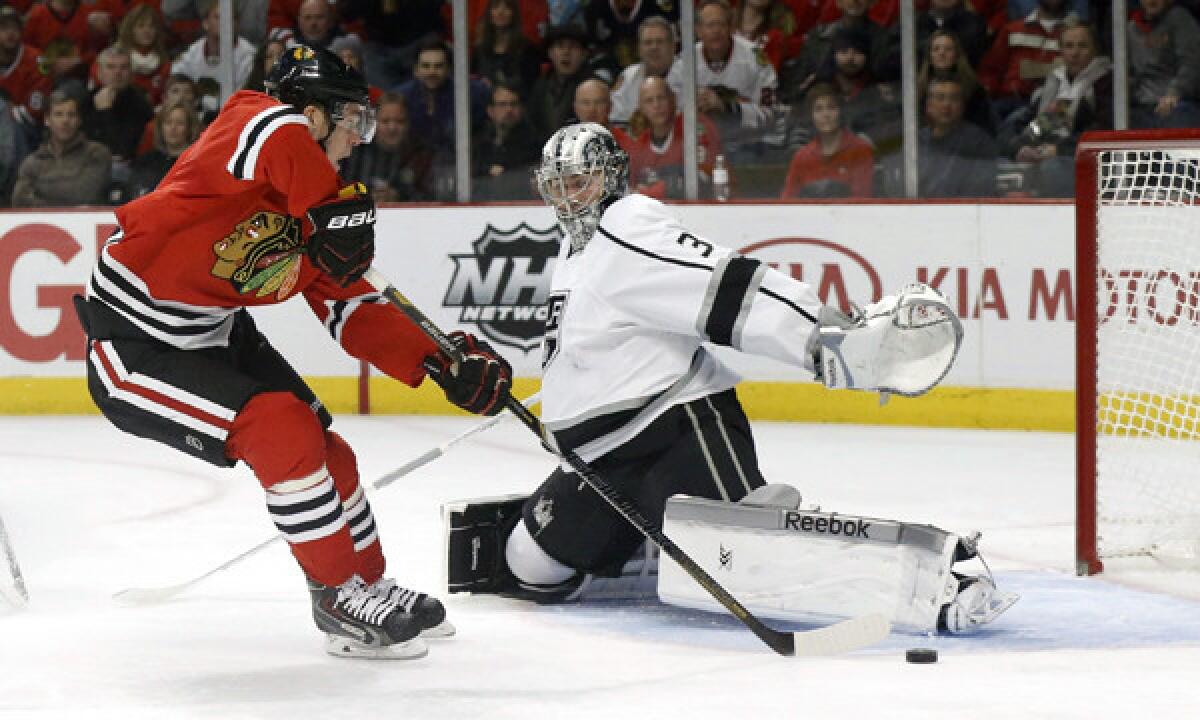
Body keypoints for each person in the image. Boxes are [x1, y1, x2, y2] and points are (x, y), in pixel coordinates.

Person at [443, 122, 1015, 636]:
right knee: (531, 566)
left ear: (610, 178)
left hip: (674, 431)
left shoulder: (627, 224)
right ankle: (668, 548)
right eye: (559, 182)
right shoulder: (573, 249)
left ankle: (935, 584)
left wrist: (818, 338)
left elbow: (725, 286)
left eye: (581, 180)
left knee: (749, 564)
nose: (569, 195)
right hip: (601, 462)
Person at [72, 45, 512, 659]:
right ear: (312, 116)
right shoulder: (250, 128)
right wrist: (324, 204)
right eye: (352, 121)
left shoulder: (317, 208)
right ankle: (334, 595)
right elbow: (270, 124)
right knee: (279, 428)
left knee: (330, 450)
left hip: (216, 330)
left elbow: (353, 306)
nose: (359, 139)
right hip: (133, 345)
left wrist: (440, 360)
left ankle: (366, 585)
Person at [1005, 22, 1112, 196]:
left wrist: (1060, 150)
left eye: (1082, 46)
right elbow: (1036, 123)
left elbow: (1104, 130)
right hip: (1046, 150)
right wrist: (1021, 146)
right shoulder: (1055, 82)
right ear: (1061, 50)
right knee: (1004, 160)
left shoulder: (1106, 82)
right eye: (1069, 46)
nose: (1075, 53)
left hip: (1084, 159)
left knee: (1052, 168)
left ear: (1095, 49)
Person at [666, 0, 778, 160]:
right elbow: (670, 116)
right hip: (698, 147)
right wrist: (693, 107)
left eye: (721, 24)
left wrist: (727, 107)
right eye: (710, 25)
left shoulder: (754, 58)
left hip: (746, 145)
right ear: (698, 30)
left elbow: (770, 115)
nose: (716, 31)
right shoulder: (684, 64)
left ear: (731, 28)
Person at [624, 76, 723, 199]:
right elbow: (631, 192)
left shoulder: (695, 126)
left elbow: (704, 179)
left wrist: (652, 191)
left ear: (673, 99)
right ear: (641, 108)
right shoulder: (640, 146)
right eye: (649, 101)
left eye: (661, 98)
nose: (656, 105)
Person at [11, 90, 112, 207]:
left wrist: (40, 192)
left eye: (71, 115)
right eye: (58, 114)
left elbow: (84, 195)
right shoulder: (33, 162)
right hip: (41, 225)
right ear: (47, 120)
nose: (65, 121)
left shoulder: (96, 153)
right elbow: (20, 201)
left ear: (79, 120)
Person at [780, 83, 873, 198]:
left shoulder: (860, 149)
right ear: (812, 116)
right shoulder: (802, 156)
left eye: (831, 107)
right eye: (818, 109)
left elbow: (862, 200)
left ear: (841, 111)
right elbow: (787, 200)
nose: (825, 115)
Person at [914, 75, 998, 198]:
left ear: (962, 106)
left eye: (954, 98)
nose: (946, 104)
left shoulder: (979, 142)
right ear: (929, 106)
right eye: (940, 97)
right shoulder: (916, 142)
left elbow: (980, 191)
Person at [341, 92, 434, 202]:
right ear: (374, 123)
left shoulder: (421, 155)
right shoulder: (354, 152)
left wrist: (399, 197)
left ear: (408, 123)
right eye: (385, 121)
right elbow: (340, 192)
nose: (392, 128)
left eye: (400, 121)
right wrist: (367, 196)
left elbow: (433, 197)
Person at [1128, 0, 1200, 129]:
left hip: (1178, 102)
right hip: (1141, 105)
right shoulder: (1131, 28)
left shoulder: (1180, 19)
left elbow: (1191, 63)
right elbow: (1129, 72)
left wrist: (1175, 93)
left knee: (1182, 118)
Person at [473, 82, 541, 200]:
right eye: (502, 105)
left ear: (521, 109)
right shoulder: (478, 141)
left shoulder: (534, 142)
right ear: (490, 111)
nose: (509, 110)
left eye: (513, 104)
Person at [609, 16, 679, 126]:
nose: (654, 47)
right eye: (648, 42)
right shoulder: (629, 76)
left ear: (673, 46)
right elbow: (615, 117)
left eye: (660, 42)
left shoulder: (689, 74)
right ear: (639, 49)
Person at [124, 100, 200, 199]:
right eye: (168, 123)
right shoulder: (145, 161)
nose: (173, 128)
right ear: (161, 127)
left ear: (189, 128)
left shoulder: (197, 163)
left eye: (180, 123)